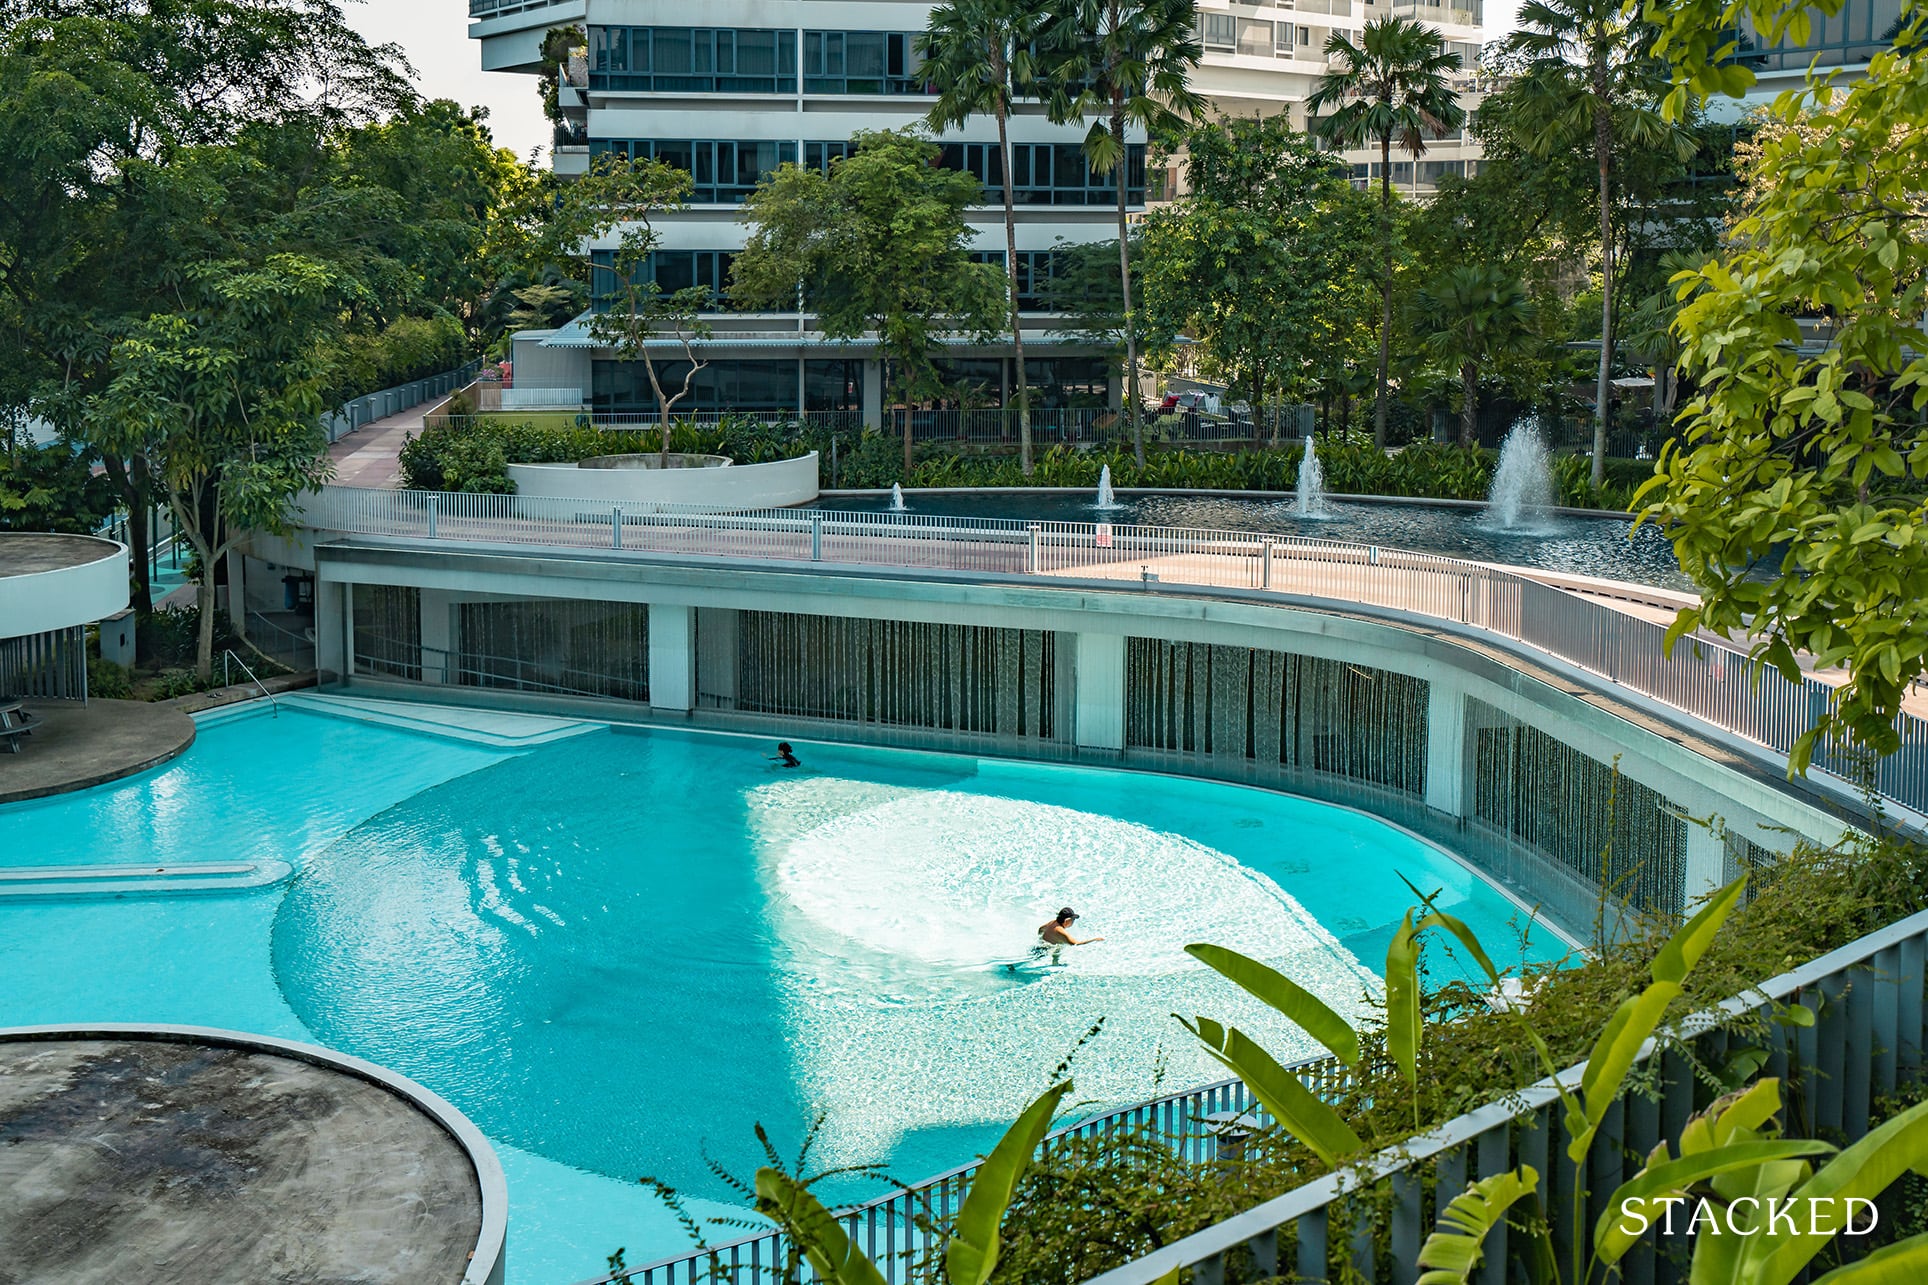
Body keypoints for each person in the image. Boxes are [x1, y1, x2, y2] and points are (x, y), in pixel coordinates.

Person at [1038, 907, 1104, 948]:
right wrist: (1095, 939)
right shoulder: (1060, 931)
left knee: (1058, 946)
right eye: (1073, 919)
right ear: (1066, 920)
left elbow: (1040, 929)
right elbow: (1075, 944)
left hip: (1040, 947)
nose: (1073, 921)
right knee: (1058, 946)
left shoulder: (1052, 922)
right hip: (1044, 952)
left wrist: (1041, 940)